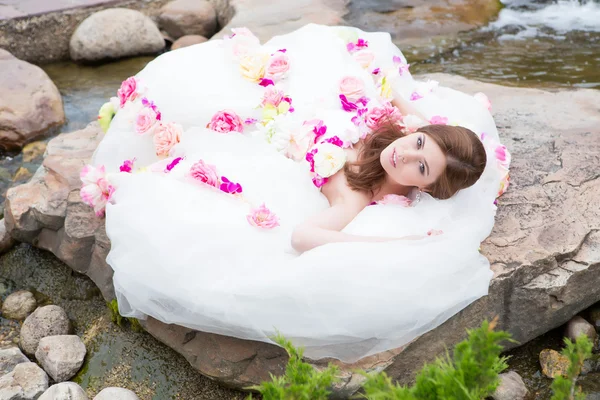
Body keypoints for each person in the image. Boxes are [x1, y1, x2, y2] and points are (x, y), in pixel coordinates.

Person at [85, 23, 509, 362]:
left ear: (425, 187)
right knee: (208, 76)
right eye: (418, 143)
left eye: (421, 167)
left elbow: (303, 237)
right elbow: (407, 110)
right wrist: (409, 109)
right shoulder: (401, 136)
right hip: (287, 110)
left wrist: (393, 242)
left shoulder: (357, 196)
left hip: (265, 145)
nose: (406, 155)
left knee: (191, 122)